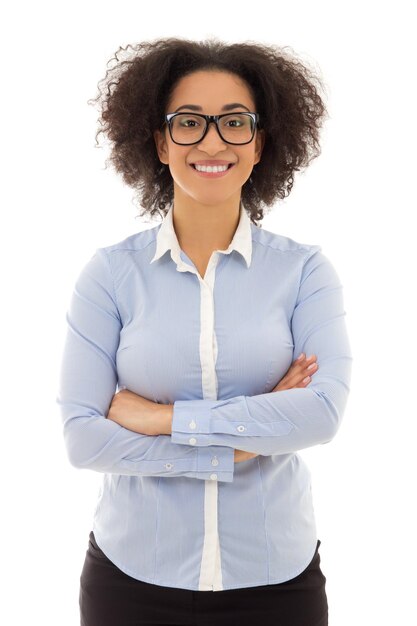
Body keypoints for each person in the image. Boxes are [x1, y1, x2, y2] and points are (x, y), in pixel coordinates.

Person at [57, 36, 352, 626]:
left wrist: (165, 418)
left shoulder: (305, 271)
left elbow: (321, 415)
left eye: (234, 122)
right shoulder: (111, 274)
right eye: (189, 122)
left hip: (275, 579)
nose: (213, 141)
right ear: (161, 143)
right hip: (132, 580)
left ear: (261, 142)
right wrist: (254, 432)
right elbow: (83, 440)